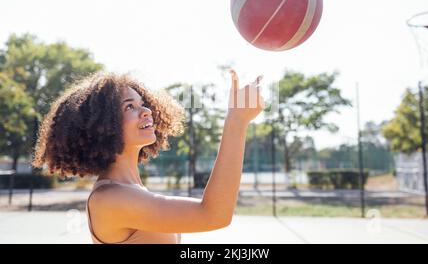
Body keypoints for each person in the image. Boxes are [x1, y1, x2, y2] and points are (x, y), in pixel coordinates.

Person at [31, 69, 264, 244]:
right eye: (129, 107)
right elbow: (214, 215)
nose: (146, 111)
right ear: (102, 125)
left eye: (142, 104)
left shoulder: (131, 190)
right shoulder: (110, 199)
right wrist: (237, 121)